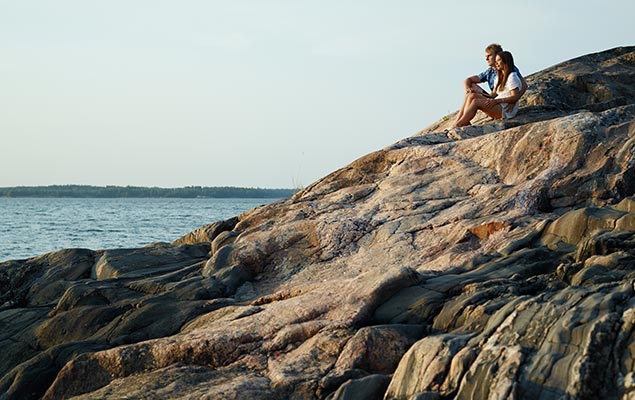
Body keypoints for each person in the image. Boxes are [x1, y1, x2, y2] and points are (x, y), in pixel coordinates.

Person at [453, 44, 527, 127]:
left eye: (490, 56)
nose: (487, 59)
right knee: (471, 95)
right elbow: (493, 94)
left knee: (475, 101)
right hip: (497, 102)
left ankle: (458, 124)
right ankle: (461, 122)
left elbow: (520, 89)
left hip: (504, 107)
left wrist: (512, 101)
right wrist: (474, 93)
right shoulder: (495, 74)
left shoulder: (512, 74)